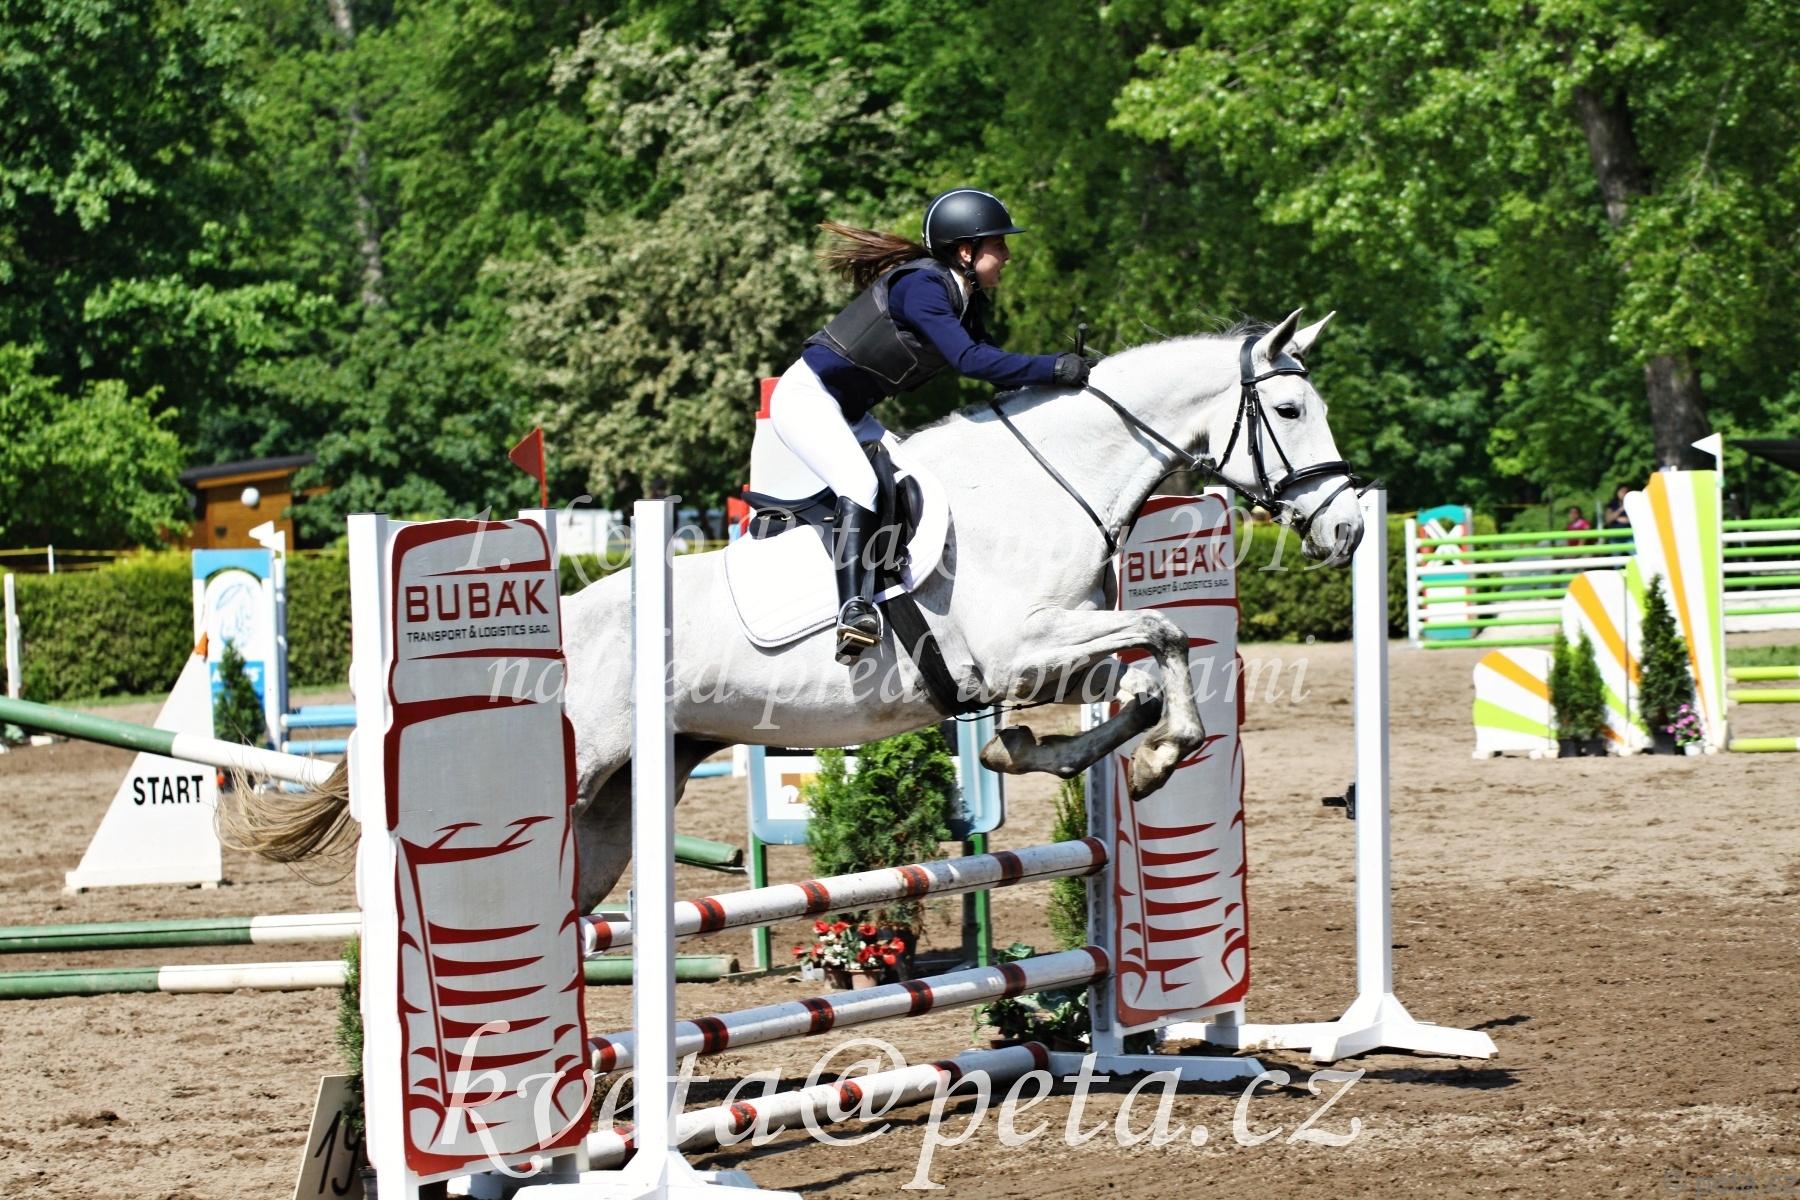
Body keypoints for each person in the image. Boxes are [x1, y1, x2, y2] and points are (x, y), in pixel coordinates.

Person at [769, 188, 1091, 664]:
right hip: (807, 401)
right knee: (860, 485)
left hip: (851, 413)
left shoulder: (963, 296)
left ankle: (900, 589)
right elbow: (971, 361)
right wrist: (1052, 368)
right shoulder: (923, 287)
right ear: (965, 251)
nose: (1007, 255)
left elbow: (997, 366)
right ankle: (853, 610)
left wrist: (1062, 376)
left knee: (922, 482)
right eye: (998, 244)